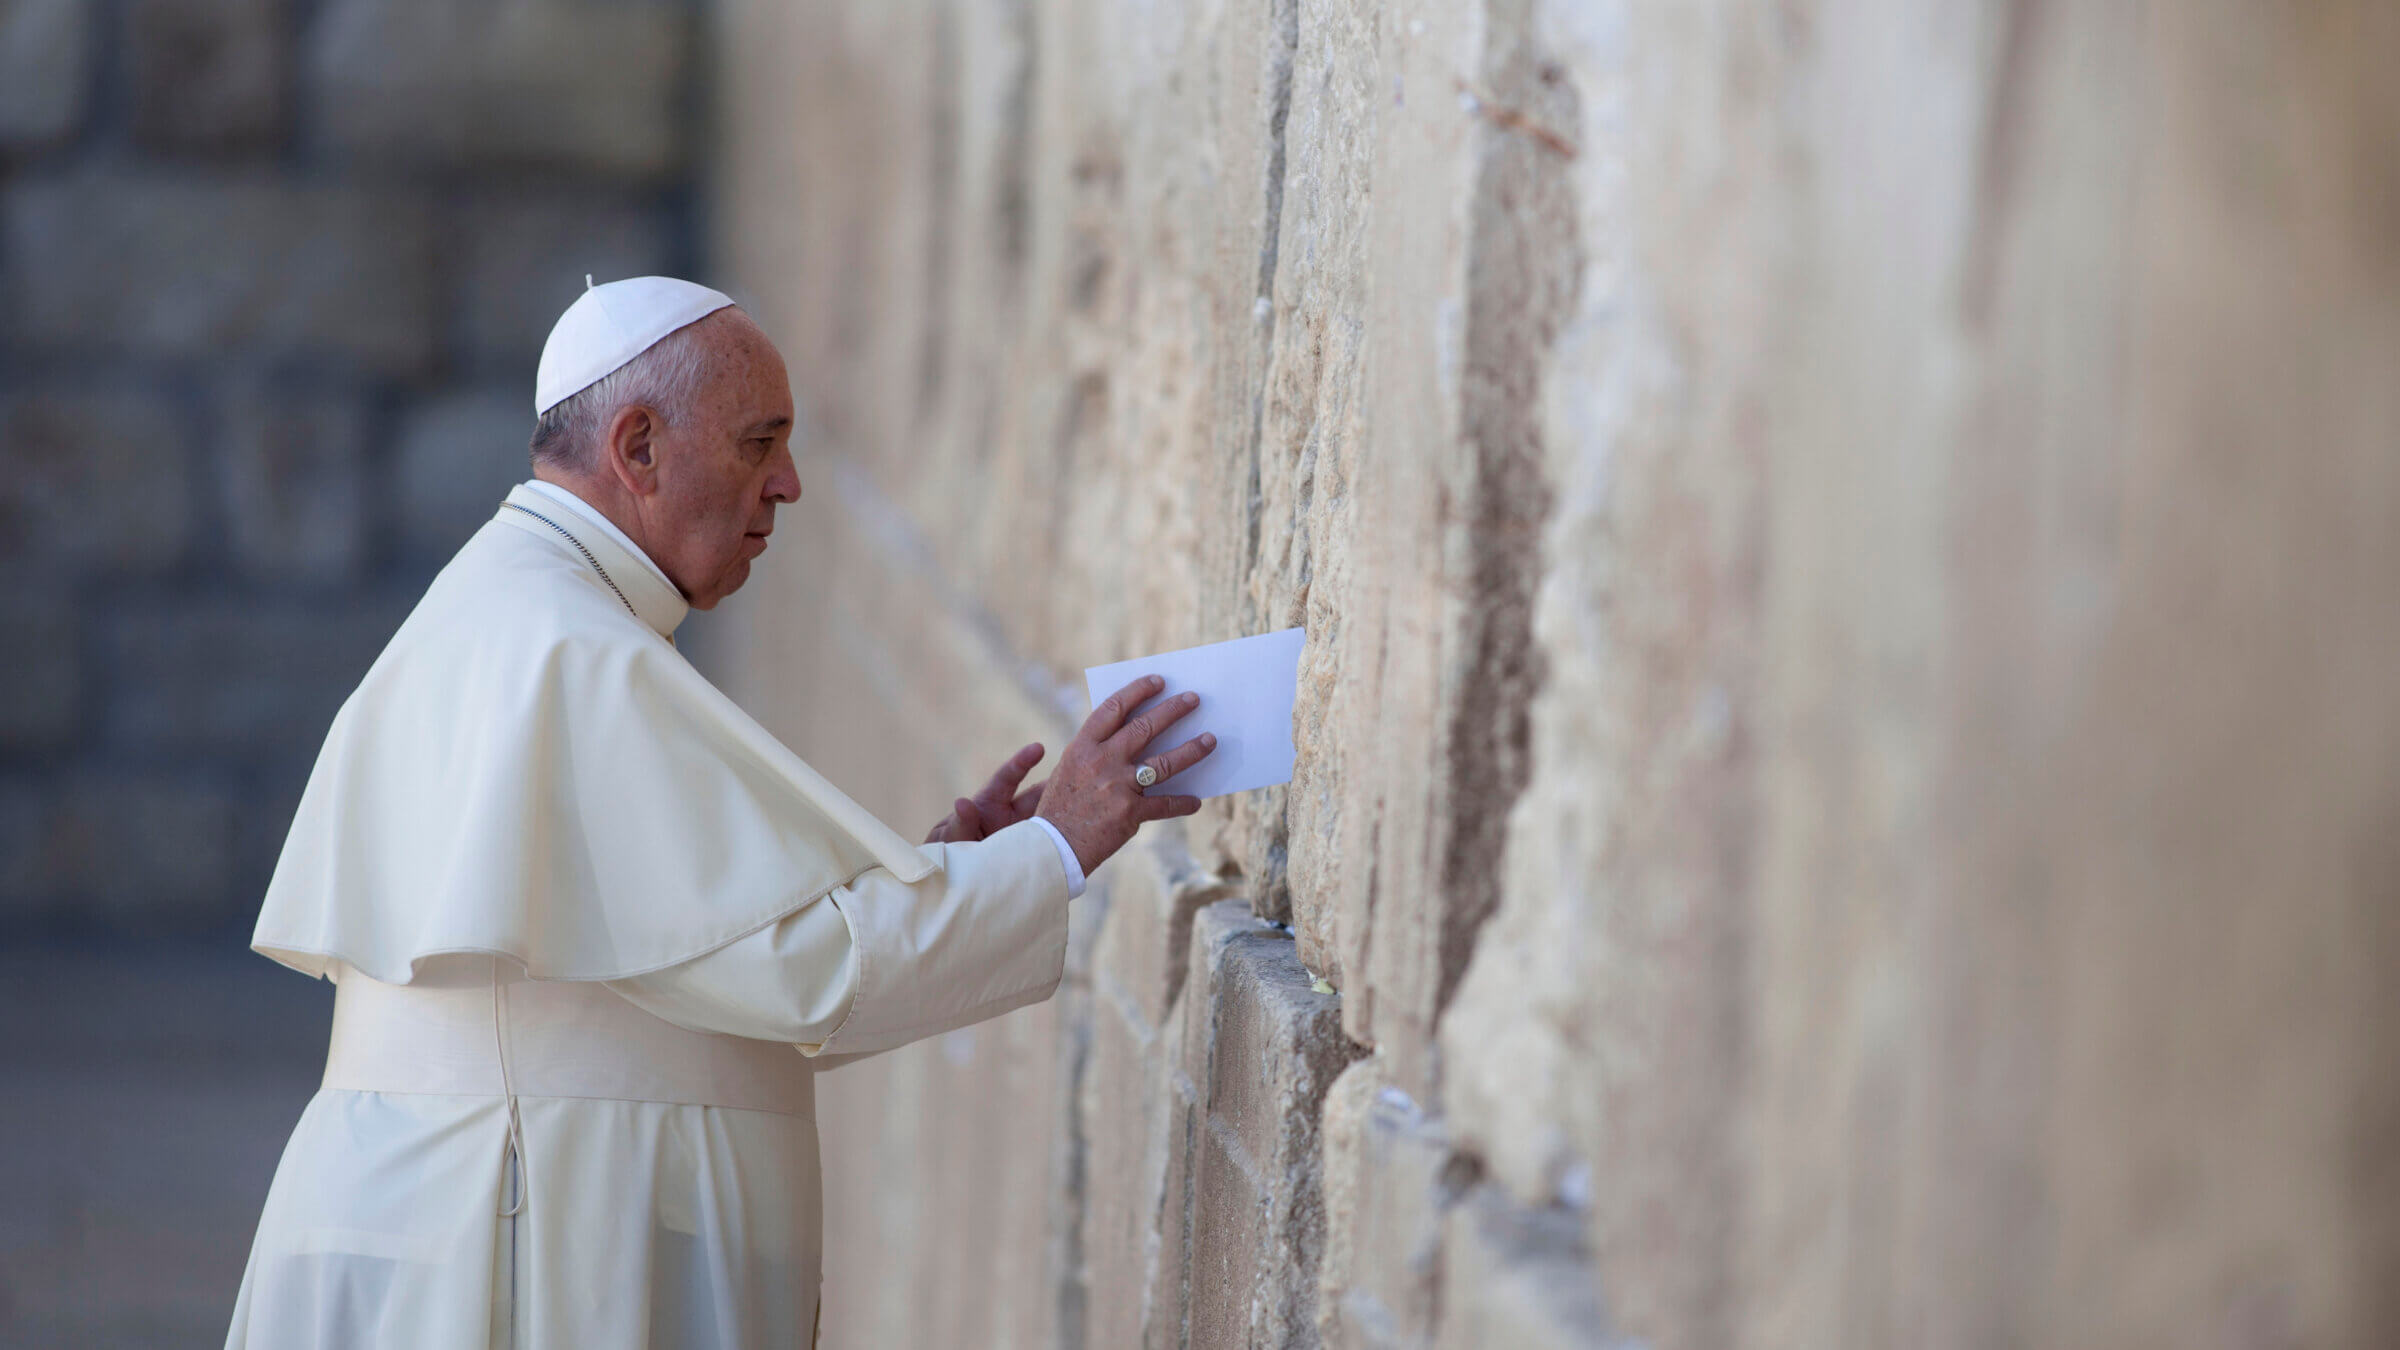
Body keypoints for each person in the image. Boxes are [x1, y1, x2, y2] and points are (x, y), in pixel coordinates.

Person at [223, 277, 1213, 1348]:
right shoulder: (564, 650)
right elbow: (800, 969)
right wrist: (1060, 844)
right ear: (639, 448)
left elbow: (713, 960)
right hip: (515, 1234)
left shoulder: (524, 610)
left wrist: (943, 871)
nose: (786, 486)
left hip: (477, 1204)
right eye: (758, 443)